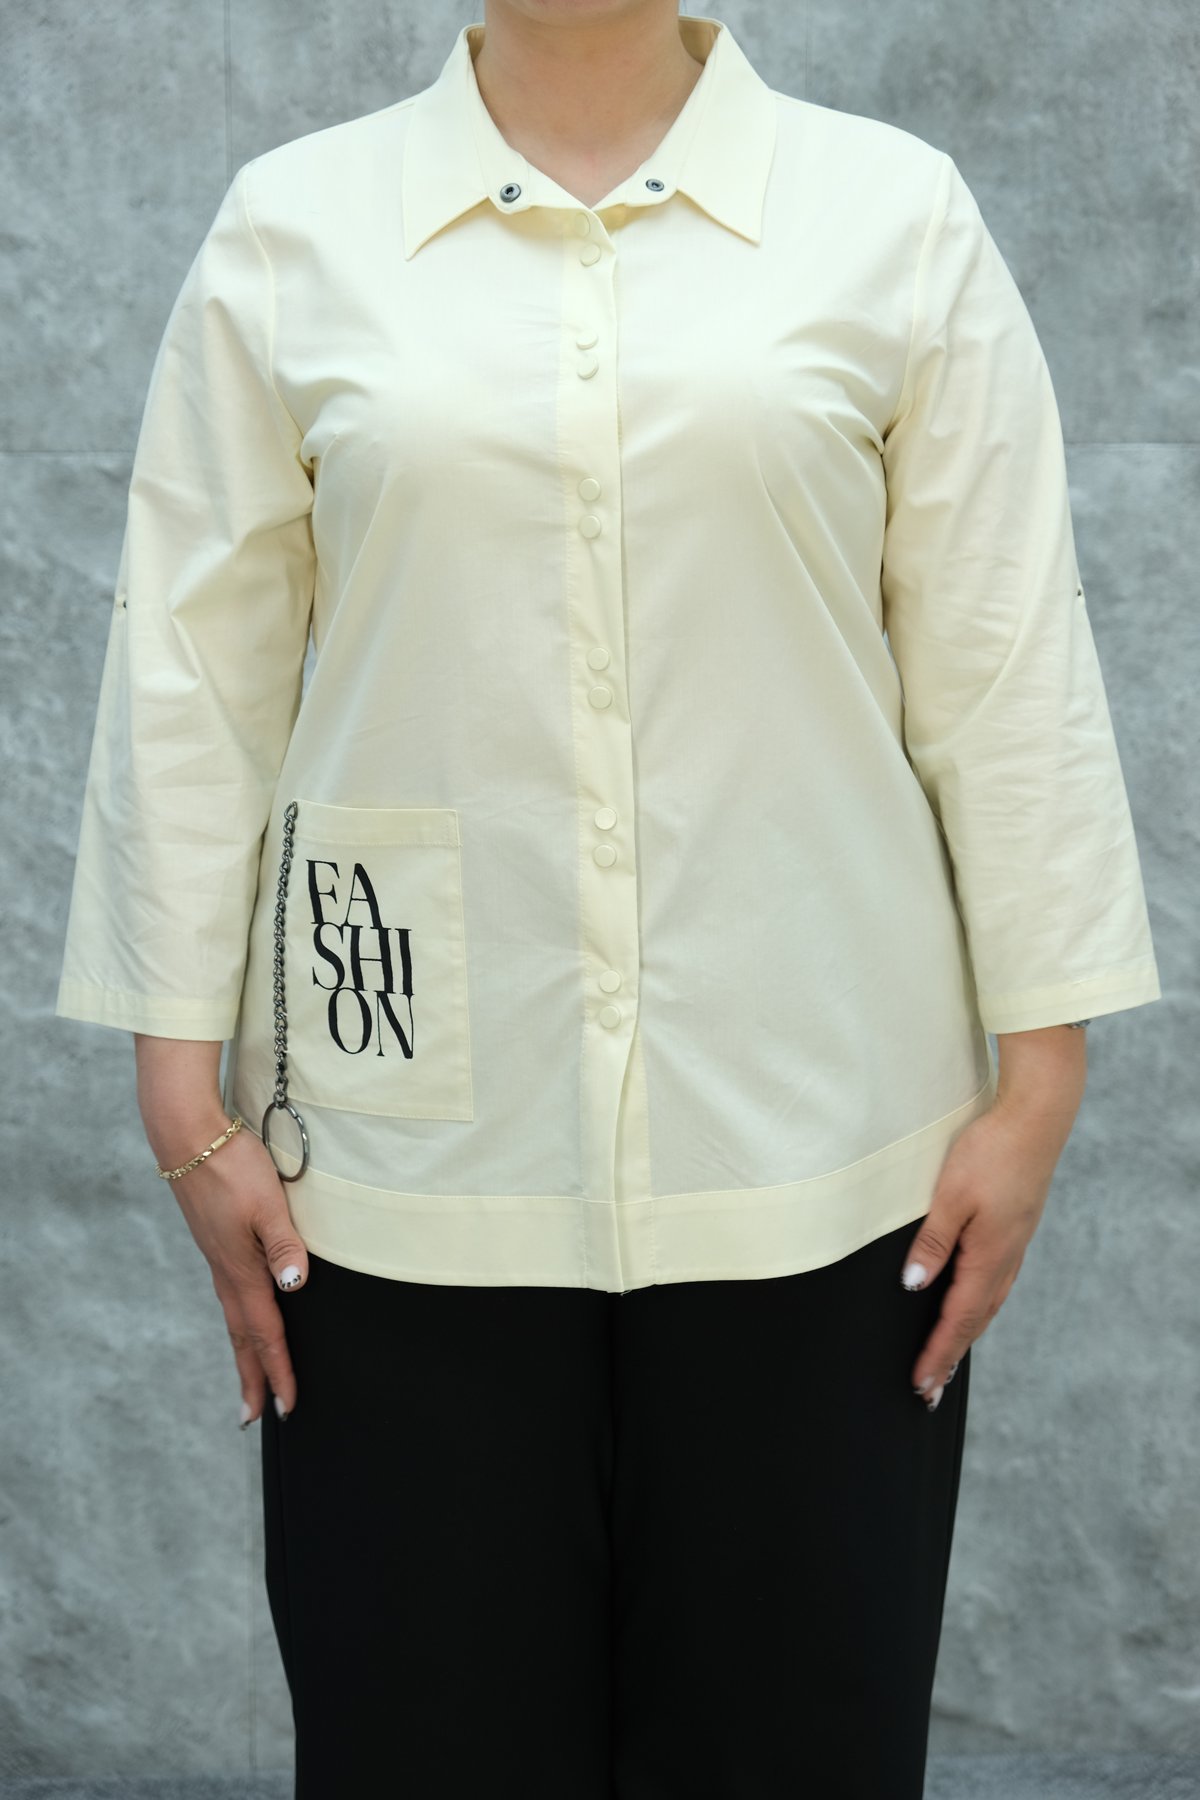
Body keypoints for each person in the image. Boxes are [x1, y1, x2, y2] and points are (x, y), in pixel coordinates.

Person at [54, 4, 1161, 1795]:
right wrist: (178, 1088)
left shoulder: (891, 217)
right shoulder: (294, 227)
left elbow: (1003, 660)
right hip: (400, 1185)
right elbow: (194, 673)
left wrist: (1041, 1082)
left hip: (826, 1168)